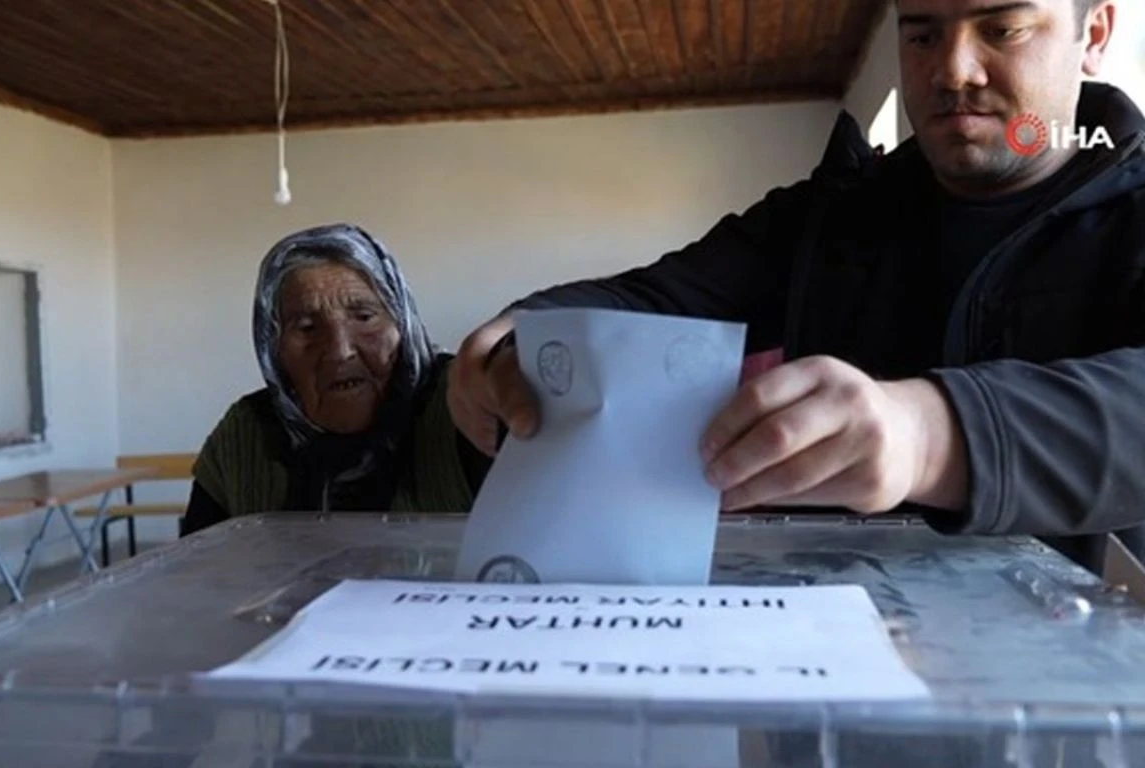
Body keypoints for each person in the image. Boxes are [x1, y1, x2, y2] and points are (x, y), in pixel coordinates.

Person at [447, 0, 1145, 574]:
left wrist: (928, 436)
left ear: (1095, 34)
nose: (953, 70)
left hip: (1087, 680)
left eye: (1003, 28)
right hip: (832, 663)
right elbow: (658, 298)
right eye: (921, 35)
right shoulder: (828, 216)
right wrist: (521, 332)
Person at [182, 223, 491, 534]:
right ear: (273, 350)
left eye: (364, 317)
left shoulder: (461, 403)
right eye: (306, 328)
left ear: (402, 324)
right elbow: (197, 560)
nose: (340, 351)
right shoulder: (246, 435)